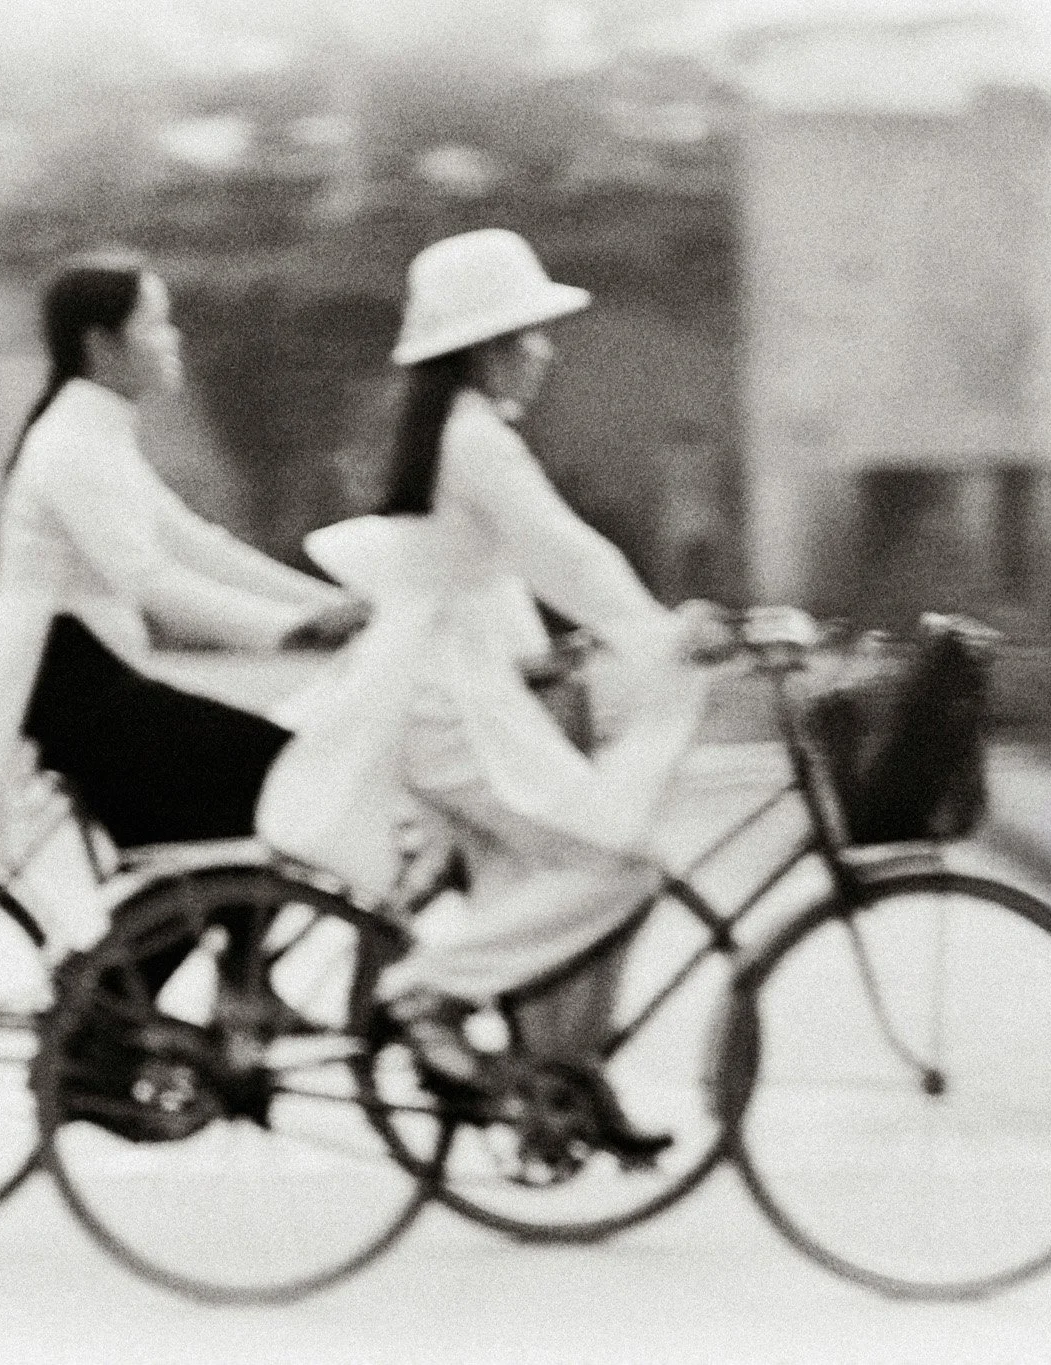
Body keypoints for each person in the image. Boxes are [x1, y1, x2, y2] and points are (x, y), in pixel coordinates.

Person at [255, 229, 730, 1116]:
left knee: (544, 885)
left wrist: (557, 650)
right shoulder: (476, 441)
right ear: (482, 349)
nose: (542, 351)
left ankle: (554, 1095)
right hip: (453, 710)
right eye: (524, 334)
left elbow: (479, 573)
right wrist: (660, 635)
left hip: (457, 692)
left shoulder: (456, 434)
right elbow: (564, 555)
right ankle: (426, 990)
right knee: (620, 861)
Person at [0, 254, 366, 852]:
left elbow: (198, 545)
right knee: (269, 769)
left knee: (214, 835)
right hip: (68, 683)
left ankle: (190, 937)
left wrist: (334, 602)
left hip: (91, 676)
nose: (172, 338)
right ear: (102, 344)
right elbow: (149, 578)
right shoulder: (73, 444)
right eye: (154, 324)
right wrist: (293, 629)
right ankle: (192, 939)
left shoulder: (96, 432)